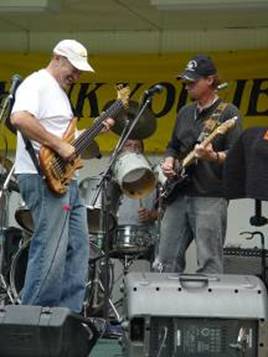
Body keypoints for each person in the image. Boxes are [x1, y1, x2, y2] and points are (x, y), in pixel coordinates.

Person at [10, 39, 114, 313]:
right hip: (40, 176)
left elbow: (63, 140)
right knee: (51, 246)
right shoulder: (36, 84)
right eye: (74, 68)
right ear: (57, 58)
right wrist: (59, 145)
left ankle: (67, 315)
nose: (77, 75)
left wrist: (92, 131)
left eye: (80, 71)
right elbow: (19, 118)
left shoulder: (58, 92)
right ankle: (34, 315)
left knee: (78, 245)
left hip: (64, 179)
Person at [154, 54, 242, 274]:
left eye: (192, 82)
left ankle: (208, 308)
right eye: (185, 82)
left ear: (210, 80)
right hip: (179, 193)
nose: (186, 86)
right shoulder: (184, 112)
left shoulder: (228, 113)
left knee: (209, 262)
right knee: (165, 260)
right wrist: (168, 160)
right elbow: (172, 145)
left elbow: (237, 156)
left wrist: (213, 157)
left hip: (210, 195)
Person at [115, 139, 159, 259]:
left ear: (142, 152)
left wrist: (152, 215)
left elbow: (167, 211)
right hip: (115, 234)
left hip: (146, 235)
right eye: (128, 145)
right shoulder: (110, 177)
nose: (133, 148)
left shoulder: (154, 177)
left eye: (137, 146)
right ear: (121, 150)